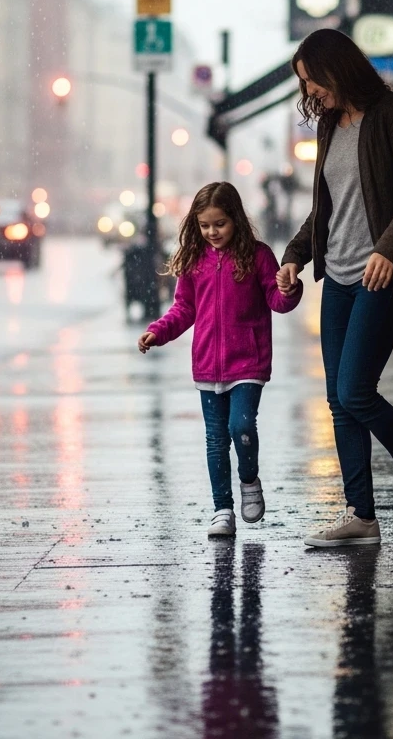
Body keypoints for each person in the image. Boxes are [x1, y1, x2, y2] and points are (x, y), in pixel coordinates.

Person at [275, 28, 393, 548]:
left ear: (337, 70)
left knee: (355, 390)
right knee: (338, 399)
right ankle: (361, 515)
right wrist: (295, 255)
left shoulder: (391, 115)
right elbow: (327, 208)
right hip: (340, 278)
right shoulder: (331, 126)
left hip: (386, 275)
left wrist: (388, 250)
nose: (309, 93)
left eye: (312, 82)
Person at [138, 182, 302, 538]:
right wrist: (158, 331)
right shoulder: (194, 261)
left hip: (248, 362)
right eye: (205, 225)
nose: (212, 232)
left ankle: (248, 479)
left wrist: (290, 290)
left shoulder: (258, 256)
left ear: (236, 220)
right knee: (215, 439)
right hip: (208, 366)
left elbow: (277, 300)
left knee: (240, 427)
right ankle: (222, 508)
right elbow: (184, 309)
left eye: (220, 224)